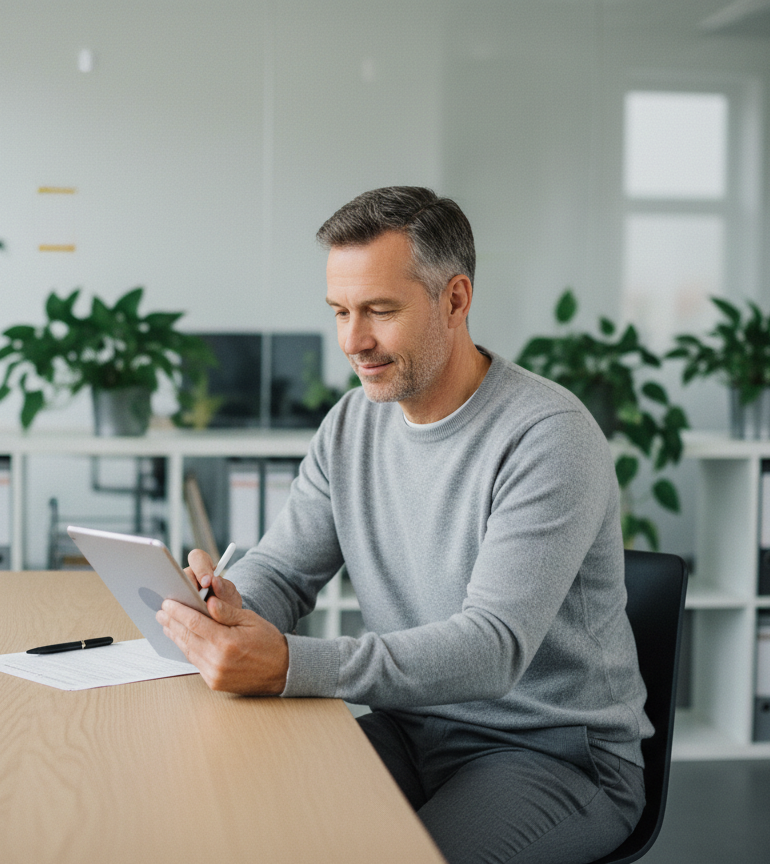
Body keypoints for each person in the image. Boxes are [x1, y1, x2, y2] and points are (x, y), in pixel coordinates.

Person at [156, 186, 651, 864]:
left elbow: (492, 647)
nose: (354, 342)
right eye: (340, 312)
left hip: (548, 754)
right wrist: (226, 608)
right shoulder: (354, 423)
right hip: (415, 730)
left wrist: (289, 664)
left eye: (380, 311)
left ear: (455, 299)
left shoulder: (547, 437)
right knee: (250, 821)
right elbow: (283, 569)